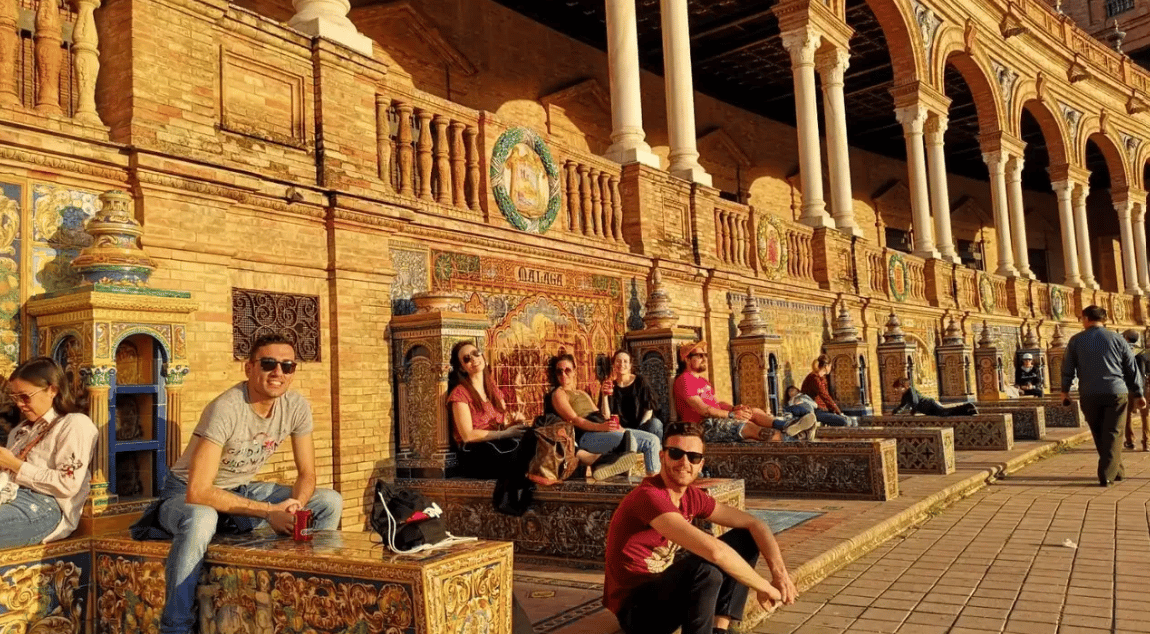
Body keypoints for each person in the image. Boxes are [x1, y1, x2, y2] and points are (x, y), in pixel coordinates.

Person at [135, 333, 343, 634]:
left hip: (241, 490)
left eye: (287, 366)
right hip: (183, 496)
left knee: (328, 501)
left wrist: (295, 505)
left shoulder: (296, 406)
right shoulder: (226, 408)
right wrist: (269, 512)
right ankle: (175, 626)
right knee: (202, 517)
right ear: (249, 368)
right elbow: (199, 491)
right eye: (269, 363)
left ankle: (305, 602)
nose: (278, 373)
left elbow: (307, 473)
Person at [604, 422, 797, 634]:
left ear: (701, 464)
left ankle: (719, 629)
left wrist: (780, 576)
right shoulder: (649, 496)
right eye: (676, 453)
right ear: (662, 456)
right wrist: (765, 587)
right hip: (636, 611)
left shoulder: (691, 496)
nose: (684, 462)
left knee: (746, 537)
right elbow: (715, 552)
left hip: (663, 591)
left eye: (693, 457)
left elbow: (755, 524)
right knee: (705, 571)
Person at [0, 357, 97, 549]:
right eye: (15, 398)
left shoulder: (74, 424)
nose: (19, 404)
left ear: (52, 390)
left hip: (44, 507)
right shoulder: (20, 431)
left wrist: (14, 464)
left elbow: (67, 483)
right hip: (8, 495)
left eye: (25, 396)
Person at [1061, 306, 1146, 487]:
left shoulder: (1076, 340)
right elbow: (1131, 368)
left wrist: (1064, 390)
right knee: (1114, 432)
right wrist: (1138, 392)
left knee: (1099, 432)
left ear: (1085, 318)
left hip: (1089, 393)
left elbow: (1067, 368)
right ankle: (1112, 472)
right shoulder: (1117, 339)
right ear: (1105, 319)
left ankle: (1110, 472)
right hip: (1116, 391)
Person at [672, 340, 816, 443]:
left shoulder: (703, 381)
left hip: (716, 418)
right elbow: (704, 410)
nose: (704, 358)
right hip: (702, 426)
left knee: (754, 411)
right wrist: (732, 414)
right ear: (687, 359)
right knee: (749, 428)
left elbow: (716, 404)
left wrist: (735, 408)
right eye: (699, 355)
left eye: (705, 355)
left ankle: (787, 425)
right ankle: (793, 439)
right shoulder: (684, 380)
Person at [547, 353, 661, 478]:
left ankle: (654, 484)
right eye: (559, 371)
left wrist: (614, 423)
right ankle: (613, 473)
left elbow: (601, 415)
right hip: (587, 435)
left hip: (602, 429)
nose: (563, 374)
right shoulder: (559, 393)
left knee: (653, 440)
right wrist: (601, 427)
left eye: (567, 370)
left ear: (574, 371)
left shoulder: (582, 393)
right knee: (629, 441)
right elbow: (574, 420)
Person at [447, 341, 530, 478]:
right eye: (467, 359)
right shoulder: (459, 394)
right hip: (476, 452)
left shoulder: (492, 387)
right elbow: (467, 435)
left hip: (497, 443)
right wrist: (506, 434)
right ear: (462, 368)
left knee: (535, 434)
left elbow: (501, 427)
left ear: (483, 356)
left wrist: (513, 425)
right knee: (516, 457)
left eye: (475, 353)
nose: (474, 359)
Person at [601, 350, 663, 440]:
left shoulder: (640, 381)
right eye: (618, 361)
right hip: (621, 431)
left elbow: (649, 409)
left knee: (656, 424)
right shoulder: (610, 386)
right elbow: (606, 416)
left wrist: (638, 431)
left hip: (642, 427)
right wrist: (604, 396)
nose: (621, 364)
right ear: (613, 365)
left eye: (625, 361)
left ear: (630, 365)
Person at [798, 355, 854, 427]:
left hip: (823, 410)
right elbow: (825, 396)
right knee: (845, 421)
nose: (830, 368)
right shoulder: (814, 378)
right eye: (830, 366)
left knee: (851, 420)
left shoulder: (821, 378)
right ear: (826, 366)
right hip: (814, 411)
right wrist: (838, 412)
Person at [890, 377, 978, 417]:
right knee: (946, 413)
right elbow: (902, 405)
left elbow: (915, 402)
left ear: (903, 386)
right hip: (926, 409)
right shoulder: (905, 394)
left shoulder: (910, 391)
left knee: (945, 412)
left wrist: (913, 412)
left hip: (929, 405)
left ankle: (968, 406)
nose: (897, 390)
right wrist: (894, 412)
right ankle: (968, 411)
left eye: (898, 388)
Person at [1122, 330, 1150, 451]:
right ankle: (1147, 442)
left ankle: (1130, 441)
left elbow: (1140, 374)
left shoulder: (1140, 355)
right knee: (1146, 415)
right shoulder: (1142, 352)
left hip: (1134, 386)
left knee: (1127, 414)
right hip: (1147, 386)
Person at [784, 386, 856, 427]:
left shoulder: (803, 396)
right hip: (809, 415)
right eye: (789, 391)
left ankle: (847, 420)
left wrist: (803, 401)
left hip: (815, 411)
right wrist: (794, 401)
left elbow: (815, 405)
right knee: (838, 420)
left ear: (797, 390)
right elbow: (791, 409)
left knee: (832, 417)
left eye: (792, 390)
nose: (791, 392)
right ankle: (846, 421)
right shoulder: (790, 402)